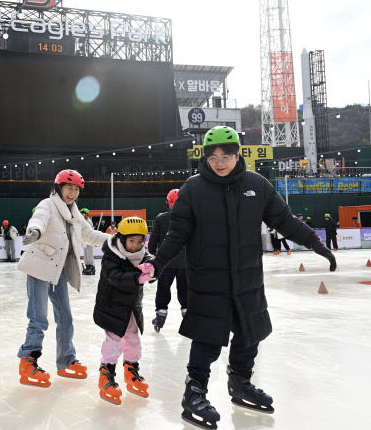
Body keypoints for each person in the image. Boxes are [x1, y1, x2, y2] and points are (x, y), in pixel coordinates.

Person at [149, 126, 336, 429]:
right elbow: (177, 234)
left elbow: (285, 221)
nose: (219, 162)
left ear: (238, 155)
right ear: (205, 159)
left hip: (248, 278)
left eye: (225, 156)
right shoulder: (193, 189)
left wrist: (316, 243)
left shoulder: (257, 186)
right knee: (207, 337)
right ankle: (194, 391)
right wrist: (156, 265)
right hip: (208, 279)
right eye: (212, 157)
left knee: (251, 332)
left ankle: (240, 382)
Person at [17, 169, 109, 388]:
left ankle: (66, 360)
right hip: (39, 266)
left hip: (58, 271)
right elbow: (38, 220)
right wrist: (35, 231)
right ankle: (28, 362)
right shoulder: (47, 205)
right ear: (58, 188)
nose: (73, 193)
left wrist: (117, 241)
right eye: (69, 188)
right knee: (38, 317)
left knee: (65, 317)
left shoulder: (75, 214)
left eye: (77, 189)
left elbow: (90, 235)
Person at [94, 217, 154, 405]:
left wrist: (152, 269)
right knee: (114, 341)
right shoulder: (112, 255)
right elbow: (114, 277)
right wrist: (138, 276)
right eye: (131, 241)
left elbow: (151, 268)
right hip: (111, 307)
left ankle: (131, 371)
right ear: (121, 239)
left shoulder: (142, 254)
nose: (136, 246)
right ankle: (106, 374)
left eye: (140, 241)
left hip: (131, 308)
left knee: (133, 339)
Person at [148, 189, 187, 333]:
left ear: (168, 202)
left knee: (163, 291)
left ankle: (160, 317)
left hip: (165, 263)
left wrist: (153, 253)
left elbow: (152, 243)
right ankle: (187, 317)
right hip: (185, 264)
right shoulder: (190, 219)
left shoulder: (161, 219)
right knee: (185, 291)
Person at [80, 208, 96, 275]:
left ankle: (91, 267)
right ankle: (87, 266)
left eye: (83, 213)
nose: (81, 215)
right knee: (86, 254)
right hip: (85, 240)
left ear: (86, 215)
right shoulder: (83, 221)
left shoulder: (88, 221)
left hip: (89, 240)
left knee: (89, 253)